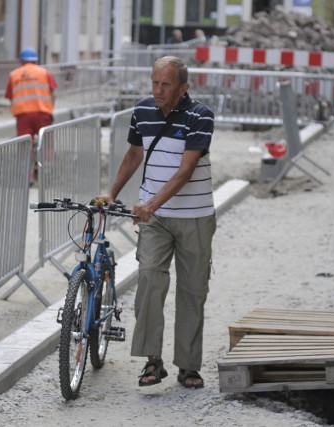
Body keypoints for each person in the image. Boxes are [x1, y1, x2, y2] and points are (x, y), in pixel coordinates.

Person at [97, 56, 216, 389]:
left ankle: (189, 365)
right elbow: (134, 154)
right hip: (156, 219)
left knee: (192, 291)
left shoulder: (201, 116)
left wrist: (150, 203)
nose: (159, 90)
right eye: (155, 83)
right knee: (149, 280)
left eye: (166, 85)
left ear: (183, 87)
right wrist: (112, 192)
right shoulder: (142, 111)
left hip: (194, 217)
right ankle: (153, 360)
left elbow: (186, 170)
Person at [5, 47, 57, 185]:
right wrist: (50, 109)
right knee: (45, 145)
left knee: (24, 145)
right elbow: (52, 94)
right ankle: (45, 174)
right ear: (36, 60)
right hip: (43, 114)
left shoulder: (14, 74)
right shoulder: (45, 73)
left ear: (21, 60)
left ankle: (28, 175)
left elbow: (10, 96)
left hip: (23, 115)